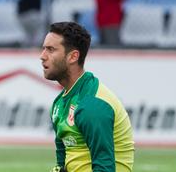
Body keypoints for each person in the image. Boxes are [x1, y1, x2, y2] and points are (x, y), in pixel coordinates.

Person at [40, 21, 135, 172]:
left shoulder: (92, 104)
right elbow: (61, 162)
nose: (42, 56)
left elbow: (105, 168)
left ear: (73, 57)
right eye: (44, 48)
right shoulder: (59, 103)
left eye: (50, 50)